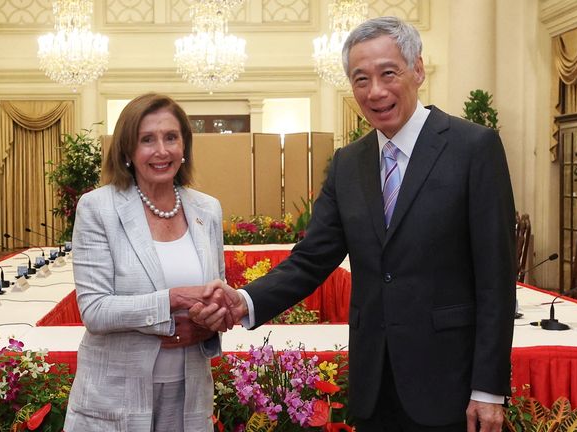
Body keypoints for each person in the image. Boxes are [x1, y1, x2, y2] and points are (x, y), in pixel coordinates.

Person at [192, 16, 516, 432]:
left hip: (450, 383)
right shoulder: (349, 163)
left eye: (388, 73)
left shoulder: (473, 148)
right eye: (360, 79)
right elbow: (311, 258)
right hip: (373, 383)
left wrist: (488, 390)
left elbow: (496, 279)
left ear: (417, 69)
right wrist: (244, 301)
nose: (375, 91)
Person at [64, 93, 231, 431]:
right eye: (147, 140)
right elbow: (95, 310)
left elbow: (216, 295)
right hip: (115, 399)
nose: (162, 150)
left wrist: (212, 319)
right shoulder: (98, 208)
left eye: (171, 137)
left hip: (188, 396)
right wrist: (173, 300)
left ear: (185, 146)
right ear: (127, 150)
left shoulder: (207, 209)